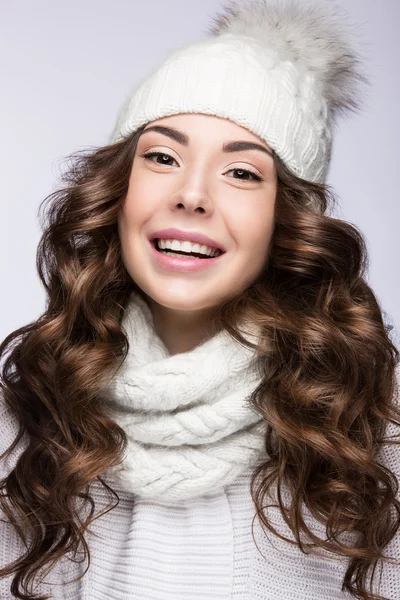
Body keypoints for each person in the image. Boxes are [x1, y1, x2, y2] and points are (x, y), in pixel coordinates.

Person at [1, 0, 399, 599]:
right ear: (118, 192)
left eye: (242, 172)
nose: (192, 194)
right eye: (162, 157)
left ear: (290, 221)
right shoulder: (19, 426)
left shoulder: (373, 433)